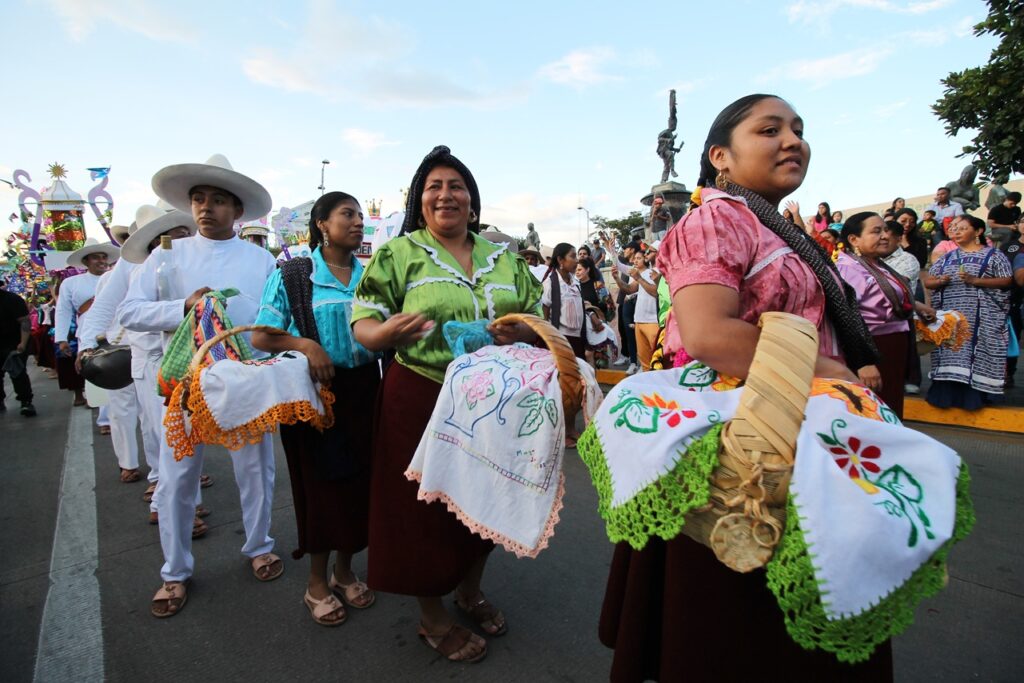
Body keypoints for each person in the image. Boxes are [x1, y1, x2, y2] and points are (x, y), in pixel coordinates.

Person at [599, 94, 888, 682]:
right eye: (769, 129)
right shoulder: (717, 219)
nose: (793, 140)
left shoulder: (775, 228)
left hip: (790, 427)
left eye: (798, 130)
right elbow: (709, 334)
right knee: (738, 626)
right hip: (748, 445)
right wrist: (830, 371)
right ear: (720, 157)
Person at [351, 145, 542, 663]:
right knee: (424, 510)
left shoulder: (504, 258)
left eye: (456, 186)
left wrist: (522, 330)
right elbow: (364, 321)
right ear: (419, 200)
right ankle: (432, 616)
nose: (445, 195)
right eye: (434, 187)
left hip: (493, 401)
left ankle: (469, 591)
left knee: (484, 500)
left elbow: (535, 316)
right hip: (420, 394)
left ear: (472, 201)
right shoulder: (399, 253)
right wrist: (383, 333)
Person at [119, 154, 281, 617]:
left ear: (238, 210)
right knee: (176, 478)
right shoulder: (166, 256)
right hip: (185, 383)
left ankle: (259, 546)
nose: (206, 208)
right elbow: (129, 312)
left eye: (218, 200)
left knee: (255, 469)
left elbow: (272, 319)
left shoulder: (261, 259)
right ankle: (174, 571)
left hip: (243, 381)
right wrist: (182, 307)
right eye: (198, 199)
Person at [252, 191, 381, 626]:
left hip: (365, 390)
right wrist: (306, 345)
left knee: (360, 484)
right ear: (322, 223)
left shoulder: (370, 275)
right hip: (313, 396)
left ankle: (345, 572)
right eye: (348, 214)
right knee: (322, 487)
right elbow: (262, 336)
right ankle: (315, 583)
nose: (358, 222)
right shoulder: (294, 274)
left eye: (360, 215)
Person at [83, 205, 202, 514]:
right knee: (158, 429)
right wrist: (86, 345)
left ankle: (184, 495)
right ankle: (168, 499)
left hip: (188, 356)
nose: (182, 239)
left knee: (186, 428)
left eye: (184, 233)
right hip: (147, 357)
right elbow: (107, 308)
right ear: (154, 239)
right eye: (174, 234)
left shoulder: (191, 260)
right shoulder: (132, 267)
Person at [836, 213, 935, 418]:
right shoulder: (849, 269)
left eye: (885, 230)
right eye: (876, 231)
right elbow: (845, 317)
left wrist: (917, 306)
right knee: (873, 412)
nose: (885, 236)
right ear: (854, 239)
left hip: (892, 348)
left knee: (890, 407)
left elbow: (883, 296)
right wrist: (863, 362)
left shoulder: (877, 265)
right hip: (873, 348)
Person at [923, 214, 1012, 409]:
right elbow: (928, 281)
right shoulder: (947, 257)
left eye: (962, 228)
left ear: (978, 231)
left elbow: (1007, 280)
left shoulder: (994, 255)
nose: (956, 231)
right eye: (954, 228)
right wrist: (939, 281)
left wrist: (976, 280)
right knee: (951, 353)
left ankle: (976, 397)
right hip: (952, 320)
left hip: (982, 319)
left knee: (978, 355)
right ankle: (946, 397)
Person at [53, 239, 118, 407]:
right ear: (86, 261)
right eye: (95, 257)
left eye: (104, 257)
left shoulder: (117, 278)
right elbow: (63, 310)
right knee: (96, 371)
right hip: (88, 333)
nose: (101, 261)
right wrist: (62, 339)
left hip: (117, 331)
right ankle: (103, 413)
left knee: (119, 373)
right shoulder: (71, 283)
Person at [615, 247, 661, 371]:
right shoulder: (644, 273)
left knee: (658, 362)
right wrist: (617, 279)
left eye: (650, 251)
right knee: (645, 364)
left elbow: (655, 292)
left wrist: (639, 278)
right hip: (639, 320)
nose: (647, 253)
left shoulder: (661, 271)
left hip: (653, 322)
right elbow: (629, 289)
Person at [605, 237, 642, 373]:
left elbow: (636, 288)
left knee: (639, 334)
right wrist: (612, 249)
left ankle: (643, 363)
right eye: (635, 259)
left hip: (639, 304)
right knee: (628, 333)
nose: (635, 261)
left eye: (639, 258)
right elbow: (618, 265)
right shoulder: (632, 269)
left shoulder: (648, 271)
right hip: (628, 304)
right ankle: (633, 362)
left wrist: (631, 295)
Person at [543, 243, 586, 359]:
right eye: (573, 256)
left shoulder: (576, 283)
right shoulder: (549, 284)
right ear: (560, 260)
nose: (577, 260)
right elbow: (544, 317)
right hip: (561, 340)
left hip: (579, 339)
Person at [0, 279, 36, 416]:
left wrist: (23, 343)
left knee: (18, 372)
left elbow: (25, 321)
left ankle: (26, 401)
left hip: (13, 343)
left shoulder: (12, 299)